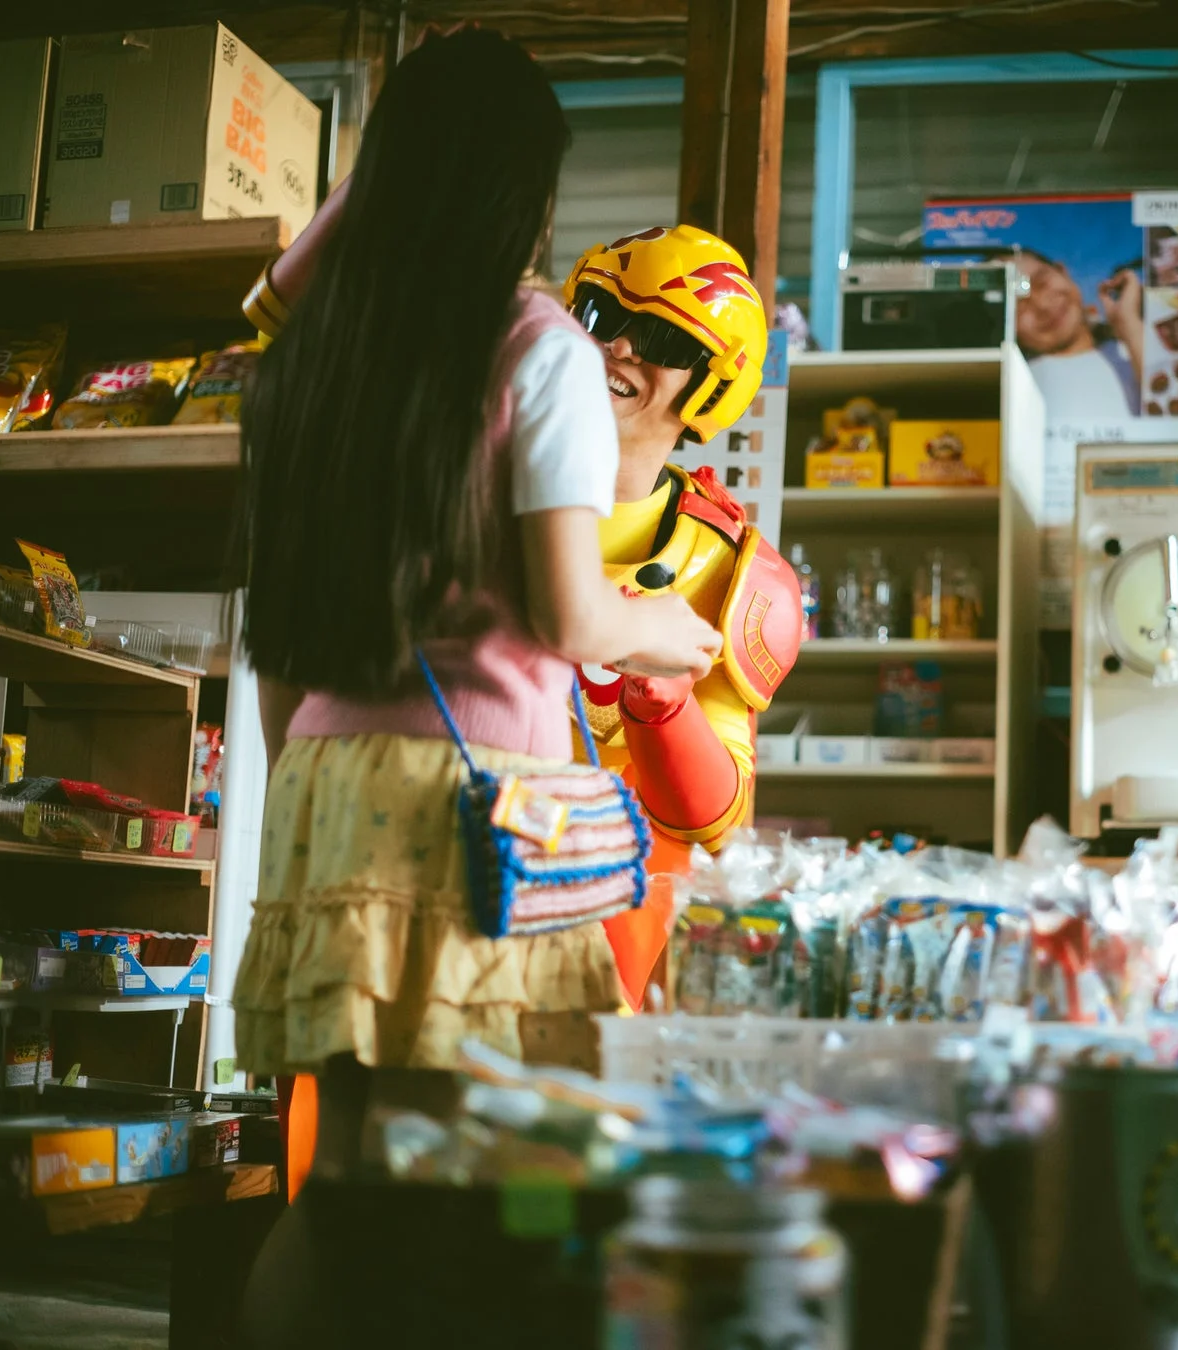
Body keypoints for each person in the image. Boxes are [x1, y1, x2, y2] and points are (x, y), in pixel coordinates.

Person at [230, 28, 720, 1175]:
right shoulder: (537, 350)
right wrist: (664, 631)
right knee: (465, 1163)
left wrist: (304, 791)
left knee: (344, 1169)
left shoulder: (316, 359)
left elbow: (279, 647)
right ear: (527, 194)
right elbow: (567, 616)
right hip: (469, 812)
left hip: (317, 783)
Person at [560, 225, 804, 1002]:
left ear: (709, 383)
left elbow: (719, 819)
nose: (619, 348)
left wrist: (663, 709)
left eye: (661, 336)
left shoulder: (732, 572)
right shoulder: (467, 499)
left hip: (618, 925)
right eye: (601, 316)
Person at [1008, 249, 1143, 421]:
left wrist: (1130, 325)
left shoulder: (1137, 345)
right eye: (1020, 306)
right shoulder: (1018, 386)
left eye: (1042, 283)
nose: (1043, 306)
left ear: (1062, 271)